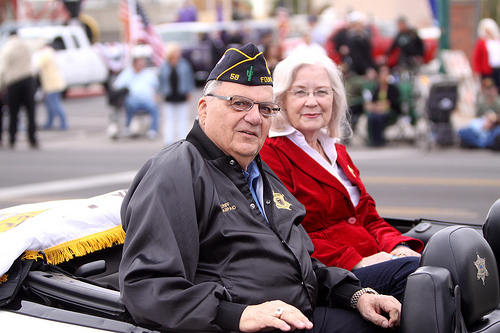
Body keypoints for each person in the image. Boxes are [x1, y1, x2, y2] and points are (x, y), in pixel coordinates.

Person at [119, 43, 401, 333]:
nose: (255, 118)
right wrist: (238, 316)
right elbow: (146, 286)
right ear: (204, 109)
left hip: (300, 314)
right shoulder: (176, 170)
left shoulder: (258, 170)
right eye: (239, 103)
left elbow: (298, 262)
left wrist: (354, 296)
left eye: (265, 108)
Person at [259, 48, 423, 303]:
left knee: (446, 256)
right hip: (331, 275)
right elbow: (289, 236)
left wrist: (397, 247)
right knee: (417, 278)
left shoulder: (336, 150)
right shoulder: (271, 155)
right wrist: (357, 261)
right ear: (280, 100)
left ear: (334, 99)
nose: (312, 101)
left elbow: (367, 216)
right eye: (300, 92)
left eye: (322, 92)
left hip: (376, 258)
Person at [0, 30, 38, 149]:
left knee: (13, 112)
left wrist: (1, 85)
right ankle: (32, 138)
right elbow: (39, 44)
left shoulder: (7, 48)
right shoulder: (27, 45)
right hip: (28, 80)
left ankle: (12, 138)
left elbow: (2, 68)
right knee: (30, 112)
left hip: (13, 83)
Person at [113, 53, 160, 139]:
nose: (141, 65)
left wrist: (156, 96)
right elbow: (117, 85)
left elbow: (157, 86)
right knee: (130, 105)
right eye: (139, 63)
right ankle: (127, 127)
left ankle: (153, 130)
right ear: (134, 64)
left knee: (154, 107)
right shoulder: (127, 73)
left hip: (147, 99)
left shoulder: (149, 74)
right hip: (133, 99)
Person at [158, 43, 195, 145]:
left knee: (183, 117)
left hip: (181, 95)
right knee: (169, 118)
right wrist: (159, 93)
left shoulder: (184, 64)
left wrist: (189, 91)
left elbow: (189, 79)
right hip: (169, 95)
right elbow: (160, 80)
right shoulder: (164, 66)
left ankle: (182, 139)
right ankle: (168, 140)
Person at [364, 65, 401, 147]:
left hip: (391, 111)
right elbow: (373, 101)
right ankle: (372, 140)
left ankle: (380, 140)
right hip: (378, 111)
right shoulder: (377, 88)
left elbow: (393, 102)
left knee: (379, 117)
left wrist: (381, 106)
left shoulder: (393, 88)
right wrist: (375, 107)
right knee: (372, 117)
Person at [458, 77, 500, 149]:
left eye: (490, 89)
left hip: (494, 126)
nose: (488, 91)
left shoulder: (498, 101)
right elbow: (477, 116)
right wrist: (484, 124)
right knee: (463, 131)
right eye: (486, 89)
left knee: (497, 132)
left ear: (495, 89)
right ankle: (481, 143)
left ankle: (482, 143)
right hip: (483, 126)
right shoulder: (481, 101)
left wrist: (492, 123)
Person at [35, 41, 68, 130]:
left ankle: (63, 123)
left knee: (54, 104)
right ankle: (50, 122)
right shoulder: (50, 52)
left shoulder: (46, 54)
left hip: (52, 84)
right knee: (50, 103)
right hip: (53, 83)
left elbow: (37, 65)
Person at [472, 18, 500, 89]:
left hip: (498, 68)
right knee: (489, 88)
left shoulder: (497, 40)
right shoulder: (482, 42)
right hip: (488, 71)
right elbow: (477, 58)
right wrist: (477, 71)